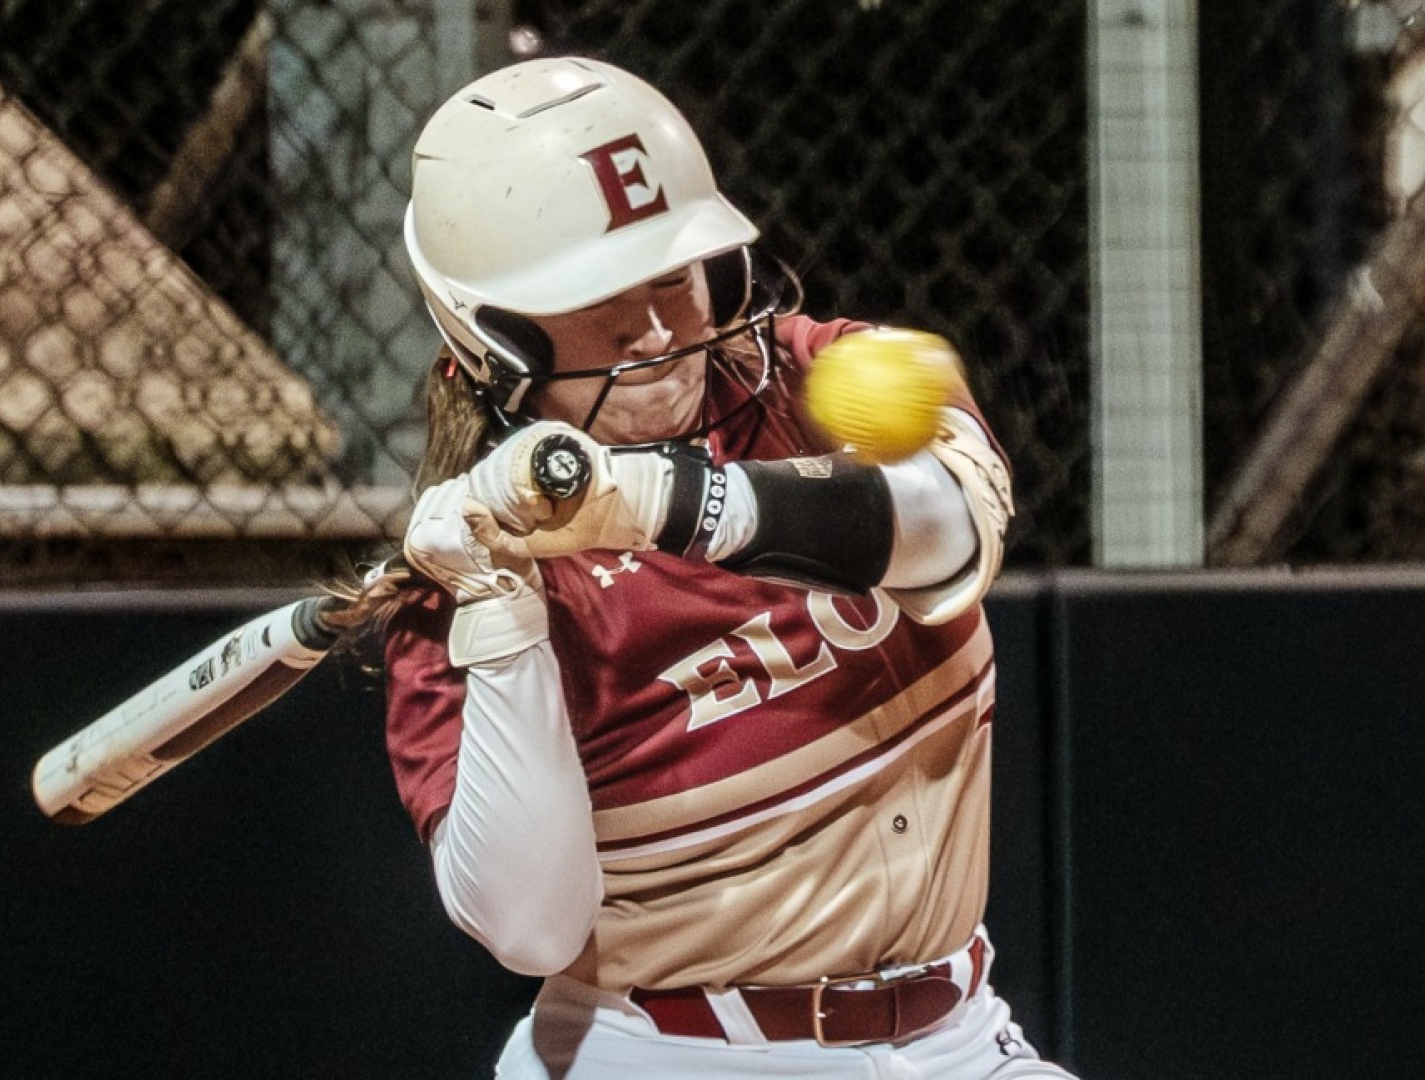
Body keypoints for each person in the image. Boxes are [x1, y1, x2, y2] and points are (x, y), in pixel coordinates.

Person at [341, 55, 1076, 1079]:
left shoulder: (831, 380)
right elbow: (530, 931)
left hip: (958, 1036)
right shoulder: (468, 587)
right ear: (494, 340)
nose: (653, 334)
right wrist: (500, 616)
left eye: (672, 279)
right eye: (597, 299)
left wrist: (655, 502)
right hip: (671, 1056)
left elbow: (947, 530)